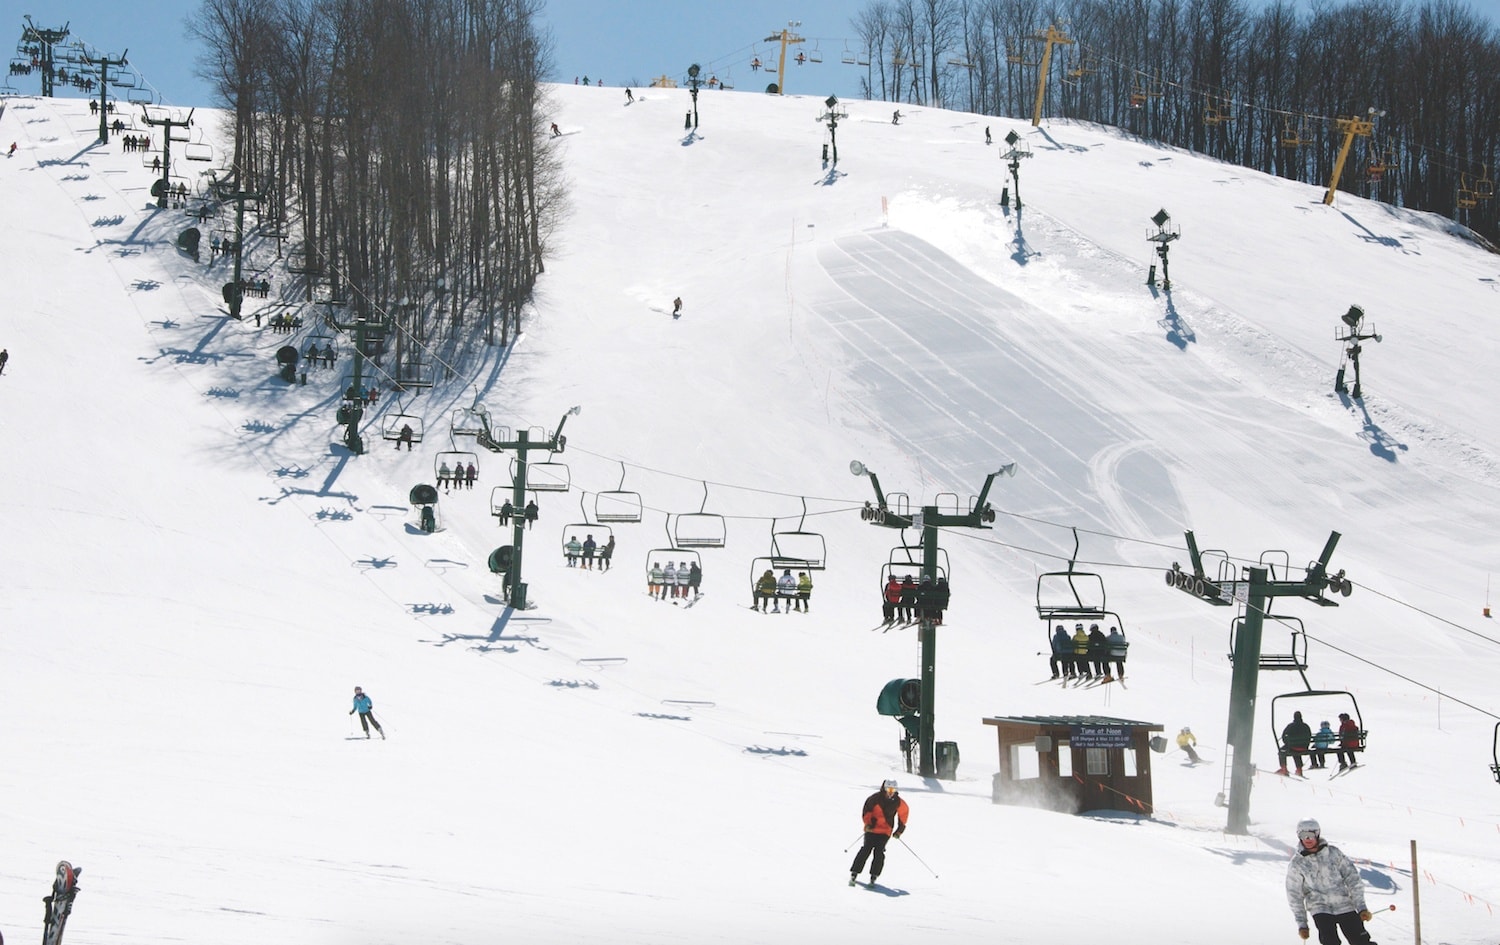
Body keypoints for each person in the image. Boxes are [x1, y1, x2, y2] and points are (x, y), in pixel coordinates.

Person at [1285, 818, 1376, 944]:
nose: (1307, 839)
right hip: (1320, 909)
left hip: (1344, 905)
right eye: (1303, 836)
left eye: (1310, 835)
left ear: (1317, 834)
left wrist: (1361, 907)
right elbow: (1294, 895)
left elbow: (1353, 878)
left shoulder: (1333, 853)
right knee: (1330, 942)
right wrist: (1302, 924)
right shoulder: (1297, 863)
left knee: (1361, 941)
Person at [849, 779, 909, 887]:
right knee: (866, 849)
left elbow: (903, 815)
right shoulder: (875, 799)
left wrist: (899, 831)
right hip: (872, 830)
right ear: (884, 789)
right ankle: (854, 873)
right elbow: (867, 811)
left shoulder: (898, 802)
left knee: (879, 852)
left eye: (893, 790)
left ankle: (874, 875)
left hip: (885, 831)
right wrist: (867, 824)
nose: (891, 792)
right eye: (889, 789)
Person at [1279, 710, 1313, 776]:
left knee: (1282, 751)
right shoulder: (1306, 726)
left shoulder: (1290, 726)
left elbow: (1284, 736)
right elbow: (1309, 736)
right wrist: (1306, 745)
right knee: (1297, 753)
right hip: (1303, 747)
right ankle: (1299, 769)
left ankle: (1284, 769)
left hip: (1292, 746)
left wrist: (1287, 743)